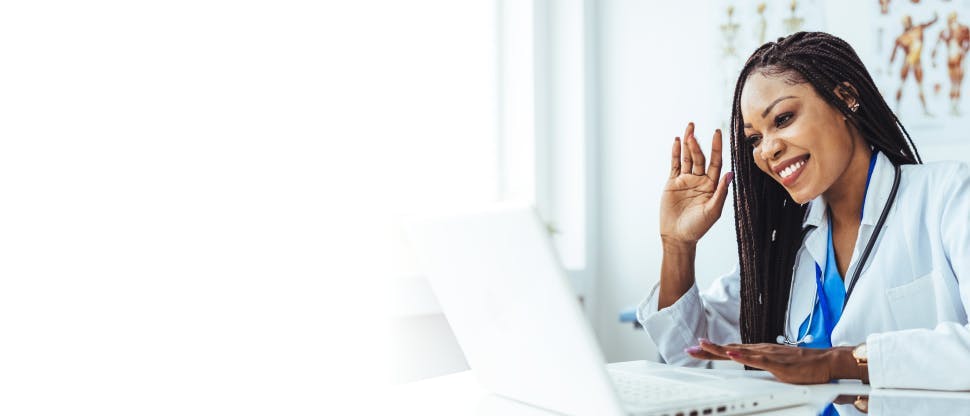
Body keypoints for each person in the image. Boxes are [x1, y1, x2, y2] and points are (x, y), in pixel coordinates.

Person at [637, 32, 970, 391]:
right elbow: (692, 355)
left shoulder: (947, 195)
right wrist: (678, 246)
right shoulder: (785, 245)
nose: (768, 150)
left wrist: (838, 362)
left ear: (845, 100)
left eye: (782, 119)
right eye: (754, 139)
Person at [890, 14, 938, 116]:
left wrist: (935, 18)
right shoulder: (902, 38)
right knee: (901, 85)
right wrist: (890, 65)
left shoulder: (918, 29)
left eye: (907, 21)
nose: (906, 24)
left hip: (917, 63)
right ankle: (896, 109)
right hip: (907, 63)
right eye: (904, 22)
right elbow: (894, 52)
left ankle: (925, 110)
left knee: (920, 87)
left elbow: (928, 24)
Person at [931, 11, 970, 115]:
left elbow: (967, 42)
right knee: (956, 83)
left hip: (957, 59)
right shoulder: (950, 30)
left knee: (956, 83)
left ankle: (954, 106)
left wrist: (964, 51)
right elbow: (937, 44)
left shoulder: (961, 29)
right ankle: (953, 106)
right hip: (954, 60)